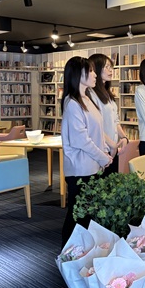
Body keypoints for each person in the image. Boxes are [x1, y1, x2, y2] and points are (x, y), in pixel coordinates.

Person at [61, 56, 112, 246]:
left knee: (87, 216)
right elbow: (81, 140)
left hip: (93, 166)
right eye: (89, 71)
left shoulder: (88, 99)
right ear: (78, 75)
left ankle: (82, 253)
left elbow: (97, 131)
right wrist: (103, 157)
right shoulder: (72, 103)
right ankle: (67, 253)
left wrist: (104, 153)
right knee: (77, 216)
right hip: (80, 169)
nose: (94, 74)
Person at [88, 53, 129, 175]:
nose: (111, 70)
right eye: (106, 67)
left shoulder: (107, 93)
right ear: (96, 69)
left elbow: (115, 120)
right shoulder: (91, 94)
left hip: (113, 148)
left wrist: (124, 137)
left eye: (111, 67)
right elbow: (95, 125)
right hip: (102, 149)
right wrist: (112, 145)